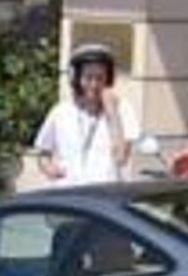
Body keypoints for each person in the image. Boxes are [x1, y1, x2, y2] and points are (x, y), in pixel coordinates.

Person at [33, 46, 138, 186]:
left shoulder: (123, 110)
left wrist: (112, 113)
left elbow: (121, 157)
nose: (94, 84)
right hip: (68, 193)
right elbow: (43, 152)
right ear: (76, 78)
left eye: (100, 78)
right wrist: (49, 169)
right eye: (88, 78)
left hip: (104, 194)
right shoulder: (61, 112)